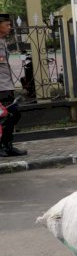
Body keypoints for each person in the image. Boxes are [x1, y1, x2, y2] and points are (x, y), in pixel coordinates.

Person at [0, 14, 26, 157]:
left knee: (11, 115)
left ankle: (7, 145)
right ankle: (4, 146)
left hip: (6, 86)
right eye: (7, 24)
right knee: (9, 115)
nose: (10, 27)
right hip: (1, 88)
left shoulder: (2, 41)